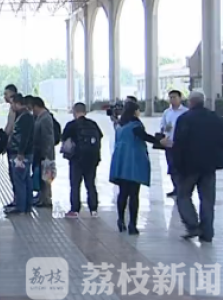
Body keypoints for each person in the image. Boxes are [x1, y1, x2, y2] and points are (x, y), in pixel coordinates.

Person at [170, 91, 223, 242]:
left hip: (189, 166)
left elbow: (179, 144)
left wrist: (176, 165)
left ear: (191, 102)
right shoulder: (215, 118)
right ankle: (207, 232)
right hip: (209, 166)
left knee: (183, 196)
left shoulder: (185, 119)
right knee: (207, 200)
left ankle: (193, 225)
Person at [109, 101, 155, 235]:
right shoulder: (135, 125)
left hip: (121, 161)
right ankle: (132, 225)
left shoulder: (119, 125)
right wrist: (160, 141)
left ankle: (120, 220)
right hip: (133, 161)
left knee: (123, 192)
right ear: (135, 111)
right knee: (134, 194)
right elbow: (144, 136)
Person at [62, 103, 103, 218]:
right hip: (92, 159)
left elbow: (64, 138)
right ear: (85, 112)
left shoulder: (71, 125)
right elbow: (100, 137)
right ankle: (93, 210)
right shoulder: (93, 124)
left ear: (74, 112)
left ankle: (75, 210)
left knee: (75, 185)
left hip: (77, 159)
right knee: (90, 184)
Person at [6, 94, 34, 214]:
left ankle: (21, 206)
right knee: (25, 178)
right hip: (24, 153)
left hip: (21, 154)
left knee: (20, 180)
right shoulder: (24, 116)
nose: (11, 106)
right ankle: (27, 205)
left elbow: (24, 137)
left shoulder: (25, 117)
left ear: (18, 103)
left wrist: (20, 152)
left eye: (12, 103)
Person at [160, 89, 187, 197]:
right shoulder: (167, 112)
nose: (172, 100)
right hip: (169, 143)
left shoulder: (185, 112)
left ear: (180, 98)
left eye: (174, 97)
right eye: (170, 97)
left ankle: (182, 188)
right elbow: (162, 127)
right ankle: (176, 188)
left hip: (182, 145)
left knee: (182, 167)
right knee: (171, 167)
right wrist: (164, 129)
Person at [31, 97, 55, 208]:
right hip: (41, 152)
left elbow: (48, 137)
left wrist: (46, 154)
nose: (33, 111)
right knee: (42, 177)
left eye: (33, 108)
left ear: (37, 106)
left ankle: (46, 199)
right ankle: (42, 198)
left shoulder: (45, 118)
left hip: (45, 153)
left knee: (46, 178)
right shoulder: (40, 117)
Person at [3, 84, 18, 208]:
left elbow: (10, 127)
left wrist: (3, 141)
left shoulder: (14, 109)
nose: (4, 96)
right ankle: (19, 200)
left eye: (6, 94)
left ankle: (18, 201)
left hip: (13, 147)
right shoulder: (14, 108)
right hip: (15, 146)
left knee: (15, 175)